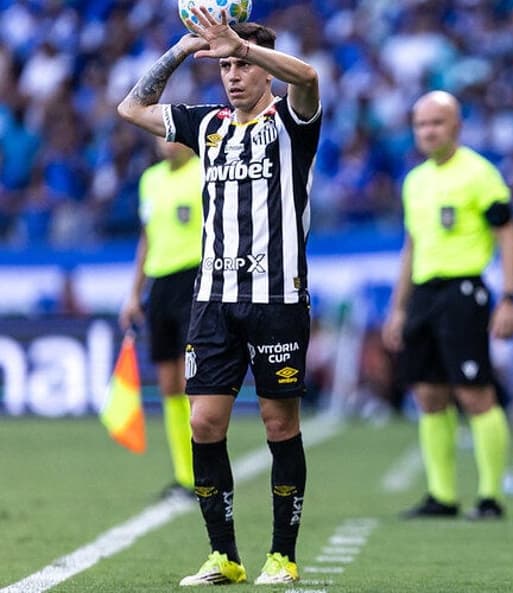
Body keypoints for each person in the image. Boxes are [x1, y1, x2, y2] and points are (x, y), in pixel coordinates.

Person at [117, 7, 321, 586]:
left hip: (277, 297)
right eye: (226, 66)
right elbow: (130, 108)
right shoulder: (206, 126)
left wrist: (244, 43)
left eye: (241, 65)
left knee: (280, 426)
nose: (233, 75)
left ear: (261, 72)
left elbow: (308, 77)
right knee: (204, 424)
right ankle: (224, 555)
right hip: (213, 299)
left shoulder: (291, 122)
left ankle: (282, 555)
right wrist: (183, 51)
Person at [382, 90, 513, 521]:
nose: (427, 131)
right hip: (424, 295)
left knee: (474, 393)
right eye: (421, 124)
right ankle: (441, 496)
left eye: (436, 123)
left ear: (456, 126)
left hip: (463, 292)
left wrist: (509, 299)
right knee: (427, 394)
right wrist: (398, 307)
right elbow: (411, 246)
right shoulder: (415, 180)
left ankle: (490, 496)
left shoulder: (480, 174)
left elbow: (508, 234)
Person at [118, 138, 202, 499]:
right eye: (161, 136)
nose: (167, 143)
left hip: (195, 279)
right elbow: (147, 238)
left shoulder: (205, 173)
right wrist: (135, 292)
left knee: (190, 381)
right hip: (161, 287)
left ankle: (205, 472)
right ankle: (185, 476)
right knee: (168, 383)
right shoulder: (150, 180)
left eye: (174, 136)